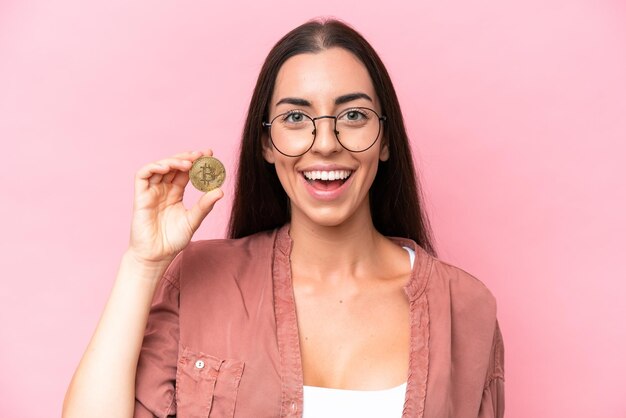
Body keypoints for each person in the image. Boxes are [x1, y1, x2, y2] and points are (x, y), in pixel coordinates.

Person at [63, 18, 504, 418]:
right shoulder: (201, 282)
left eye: (353, 115)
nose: (326, 143)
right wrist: (143, 265)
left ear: (385, 140)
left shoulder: (466, 309)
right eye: (296, 117)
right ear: (267, 145)